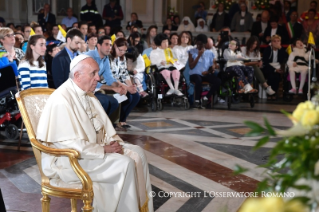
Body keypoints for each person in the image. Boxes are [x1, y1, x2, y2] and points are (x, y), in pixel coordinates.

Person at [36, 54, 153, 212]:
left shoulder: (87, 95)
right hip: (67, 160)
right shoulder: (61, 99)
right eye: (94, 73)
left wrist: (111, 142)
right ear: (77, 75)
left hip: (90, 150)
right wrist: (103, 149)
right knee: (124, 164)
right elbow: (68, 143)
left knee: (138, 154)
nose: (98, 78)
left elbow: (101, 127)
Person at [84, 35, 126, 130]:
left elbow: (109, 78)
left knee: (115, 101)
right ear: (98, 45)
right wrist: (113, 88)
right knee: (106, 101)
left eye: (110, 45)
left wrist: (118, 87)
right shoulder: (90, 57)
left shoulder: (106, 58)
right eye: (106, 44)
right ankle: (94, 126)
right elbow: (91, 81)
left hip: (96, 87)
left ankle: (107, 124)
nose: (109, 47)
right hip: (86, 87)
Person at [109, 38, 140, 127]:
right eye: (120, 50)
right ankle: (116, 120)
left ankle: (123, 119)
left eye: (124, 51)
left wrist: (131, 86)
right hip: (112, 83)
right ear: (115, 46)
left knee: (136, 96)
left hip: (121, 82)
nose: (122, 52)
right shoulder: (109, 58)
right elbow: (112, 77)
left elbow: (124, 74)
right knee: (128, 97)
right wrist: (127, 88)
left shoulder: (122, 58)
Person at [188, 34, 221, 108]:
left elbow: (211, 66)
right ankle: (196, 100)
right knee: (198, 79)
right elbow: (191, 66)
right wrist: (199, 55)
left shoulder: (210, 53)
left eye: (201, 45)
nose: (199, 46)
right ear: (196, 42)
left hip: (205, 74)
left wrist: (209, 71)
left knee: (218, 81)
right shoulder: (192, 51)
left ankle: (206, 97)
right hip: (194, 74)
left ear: (205, 44)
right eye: (198, 44)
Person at [262, 35, 288, 100]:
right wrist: (274, 69)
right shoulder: (268, 49)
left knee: (277, 76)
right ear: (271, 42)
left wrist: (281, 49)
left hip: (278, 66)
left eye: (278, 41)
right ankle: (270, 93)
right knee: (271, 75)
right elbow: (265, 62)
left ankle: (274, 92)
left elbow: (285, 58)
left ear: (280, 42)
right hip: (268, 67)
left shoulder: (281, 49)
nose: (276, 43)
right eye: (274, 41)